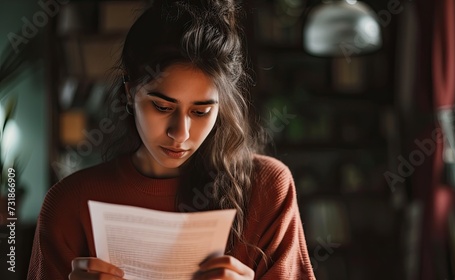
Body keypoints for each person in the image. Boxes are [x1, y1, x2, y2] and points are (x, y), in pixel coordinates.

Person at [28, 0, 315, 279]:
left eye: (201, 111)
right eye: (162, 107)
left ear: (221, 106)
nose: (181, 134)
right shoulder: (69, 203)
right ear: (129, 93)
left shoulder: (266, 190)